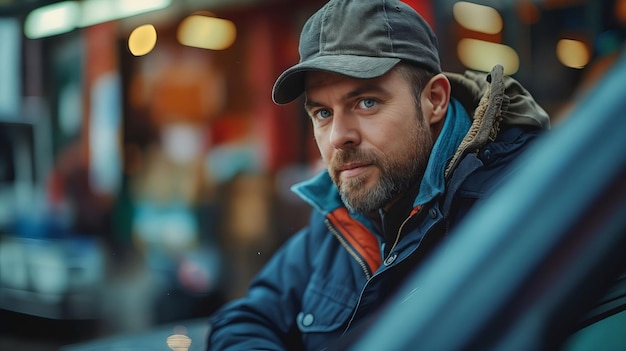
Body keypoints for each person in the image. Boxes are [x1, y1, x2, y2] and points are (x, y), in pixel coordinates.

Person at [206, 0, 550, 349]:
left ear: (434, 100)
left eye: (366, 102)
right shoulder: (338, 214)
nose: (339, 136)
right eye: (323, 112)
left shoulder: (514, 201)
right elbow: (246, 319)